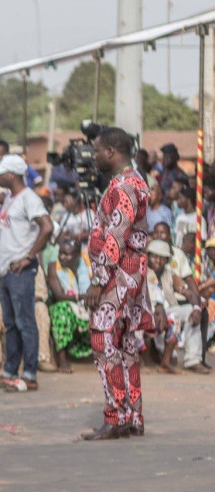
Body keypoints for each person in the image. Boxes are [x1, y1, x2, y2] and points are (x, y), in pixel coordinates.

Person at [82, 127, 155, 440]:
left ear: (111, 152)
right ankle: (132, 417)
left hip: (119, 274)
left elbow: (117, 234)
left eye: (97, 151)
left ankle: (116, 415)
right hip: (131, 273)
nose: (94, 156)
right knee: (125, 344)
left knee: (101, 337)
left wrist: (99, 280)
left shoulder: (124, 187)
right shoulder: (135, 181)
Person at [0, 154, 53, 392]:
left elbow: (47, 226)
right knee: (11, 323)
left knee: (25, 323)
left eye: (0, 173)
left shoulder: (30, 199)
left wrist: (29, 257)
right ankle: (10, 372)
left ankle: (29, 375)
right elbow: (1, 196)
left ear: (11, 175)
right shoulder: (14, 197)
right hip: (8, 270)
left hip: (20, 270)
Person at [145, 238, 207, 374]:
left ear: (167, 260)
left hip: (166, 313)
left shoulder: (170, 273)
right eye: (154, 256)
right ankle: (162, 358)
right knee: (172, 317)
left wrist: (197, 308)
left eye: (162, 258)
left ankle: (192, 360)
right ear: (148, 256)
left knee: (193, 311)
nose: (157, 261)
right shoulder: (142, 272)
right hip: (145, 312)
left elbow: (188, 293)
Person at [45, 237, 92, 373]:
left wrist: (89, 299)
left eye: (67, 254)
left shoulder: (87, 264)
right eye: (61, 253)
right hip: (64, 304)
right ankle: (62, 360)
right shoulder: (54, 266)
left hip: (85, 305)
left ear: (77, 255)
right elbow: (59, 295)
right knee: (62, 311)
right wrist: (82, 297)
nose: (62, 257)